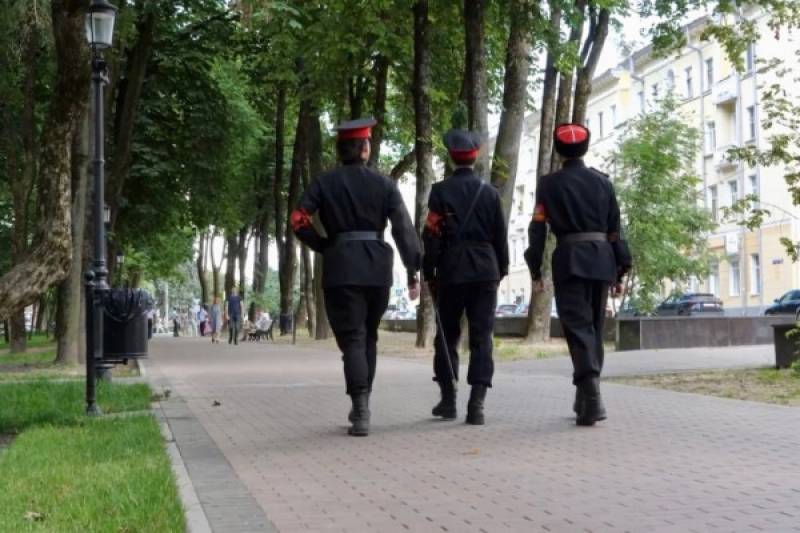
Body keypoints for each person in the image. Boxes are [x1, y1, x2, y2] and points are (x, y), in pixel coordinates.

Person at [291, 117, 422, 437]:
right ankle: (363, 402)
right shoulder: (385, 185)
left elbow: (297, 219)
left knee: (352, 339)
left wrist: (323, 245)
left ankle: (360, 407)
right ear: (365, 148)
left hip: (341, 270)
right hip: (377, 270)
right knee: (369, 336)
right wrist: (413, 270)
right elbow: (403, 229)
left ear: (341, 150)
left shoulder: (324, 183)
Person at [525, 123, 632, 426]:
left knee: (578, 329)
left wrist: (535, 267)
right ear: (584, 149)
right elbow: (615, 229)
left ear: (559, 151)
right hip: (601, 260)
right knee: (593, 329)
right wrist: (620, 268)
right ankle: (585, 395)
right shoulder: (603, 182)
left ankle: (592, 397)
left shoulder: (548, 185)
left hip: (570, 260)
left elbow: (538, 229)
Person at [422, 129, 509, 425]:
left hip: (452, 271)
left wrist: (430, 270)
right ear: (476, 156)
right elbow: (500, 237)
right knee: (482, 337)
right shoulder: (490, 193)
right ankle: (477, 405)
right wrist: (501, 270)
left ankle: (448, 400)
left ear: (451, 157)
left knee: (447, 336)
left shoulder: (440, 192)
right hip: (485, 271)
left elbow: (432, 234)